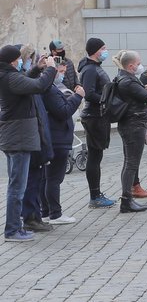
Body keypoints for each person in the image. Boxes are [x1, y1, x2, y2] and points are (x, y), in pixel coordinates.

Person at [0, 47, 57, 242]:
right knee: (17, 187)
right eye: (18, 60)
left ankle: (15, 228)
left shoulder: (8, 76)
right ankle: (12, 230)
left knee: (15, 186)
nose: (20, 62)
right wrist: (50, 69)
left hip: (14, 137)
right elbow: (39, 86)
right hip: (19, 138)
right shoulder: (10, 78)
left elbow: (27, 82)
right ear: (12, 61)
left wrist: (36, 69)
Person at [111, 50, 147, 213]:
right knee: (131, 163)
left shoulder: (124, 78)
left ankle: (127, 199)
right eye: (139, 63)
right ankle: (126, 200)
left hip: (131, 123)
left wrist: (144, 81)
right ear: (131, 65)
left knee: (129, 162)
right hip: (133, 124)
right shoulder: (127, 81)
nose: (141, 65)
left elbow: (137, 92)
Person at [39, 66, 85, 225]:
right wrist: (78, 97)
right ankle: (55, 214)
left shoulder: (46, 88)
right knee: (53, 178)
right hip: (57, 139)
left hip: (55, 138)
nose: (64, 74)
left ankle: (45, 212)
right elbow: (63, 111)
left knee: (46, 178)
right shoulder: (49, 90)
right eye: (61, 71)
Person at [78, 37, 116, 209]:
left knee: (97, 156)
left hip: (99, 115)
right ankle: (94, 195)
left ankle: (97, 193)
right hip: (94, 117)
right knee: (94, 156)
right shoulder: (90, 69)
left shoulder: (95, 67)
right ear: (95, 50)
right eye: (103, 48)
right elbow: (88, 93)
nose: (105, 51)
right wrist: (105, 99)